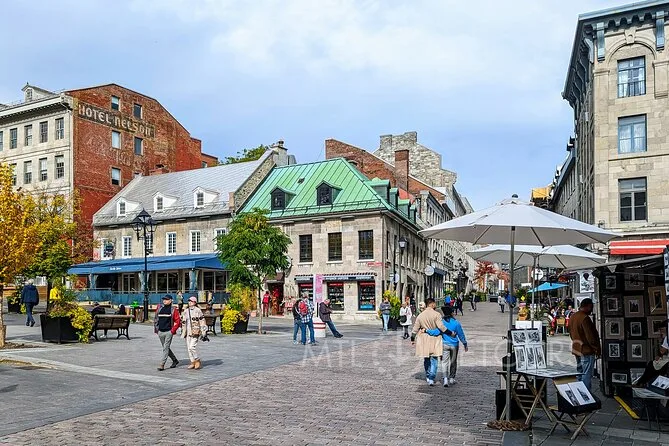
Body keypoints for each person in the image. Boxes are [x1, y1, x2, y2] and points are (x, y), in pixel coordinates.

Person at [411, 298, 452, 386]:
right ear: (432, 304)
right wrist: (450, 333)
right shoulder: (437, 314)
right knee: (434, 359)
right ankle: (431, 378)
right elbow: (441, 327)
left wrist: (412, 338)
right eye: (435, 303)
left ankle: (428, 375)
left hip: (424, 338)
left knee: (426, 358)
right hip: (435, 338)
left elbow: (415, 328)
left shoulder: (421, 315)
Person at [426, 306, 468, 387]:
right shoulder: (456, 323)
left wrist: (427, 330)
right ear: (451, 313)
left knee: (444, 362)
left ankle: (445, 379)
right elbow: (461, 334)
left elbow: (436, 332)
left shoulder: (442, 323)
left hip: (445, 344)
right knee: (453, 362)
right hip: (454, 345)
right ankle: (451, 378)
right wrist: (465, 343)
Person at [569, 298, 601, 391]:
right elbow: (590, 337)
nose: (592, 309)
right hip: (586, 350)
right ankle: (585, 393)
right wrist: (596, 348)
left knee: (580, 372)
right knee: (586, 373)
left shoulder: (573, 317)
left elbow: (571, 333)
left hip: (577, 348)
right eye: (591, 307)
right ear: (588, 306)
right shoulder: (584, 318)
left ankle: (580, 392)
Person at [634, 322, 669, 387]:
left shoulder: (667, 338)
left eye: (662, 330)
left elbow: (662, 351)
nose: (661, 331)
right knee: (652, 364)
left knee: (652, 365)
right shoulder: (667, 338)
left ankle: (641, 383)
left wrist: (662, 339)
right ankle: (642, 382)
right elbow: (663, 351)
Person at [154, 295, 181, 371]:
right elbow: (156, 319)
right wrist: (157, 329)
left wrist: (172, 331)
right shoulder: (160, 308)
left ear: (171, 300)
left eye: (166, 299)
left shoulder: (173, 310)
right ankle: (175, 360)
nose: (164, 301)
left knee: (165, 348)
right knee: (166, 348)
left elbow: (178, 321)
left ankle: (162, 364)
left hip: (169, 332)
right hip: (160, 332)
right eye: (164, 299)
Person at [181, 296, 208, 370]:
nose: (190, 302)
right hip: (187, 331)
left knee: (191, 347)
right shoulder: (186, 311)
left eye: (191, 301)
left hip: (195, 331)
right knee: (188, 348)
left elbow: (202, 321)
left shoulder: (198, 310)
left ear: (195, 302)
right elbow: (183, 321)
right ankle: (192, 362)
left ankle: (197, 359)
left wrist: (203, 331)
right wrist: (183, 330)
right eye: (189, 301)